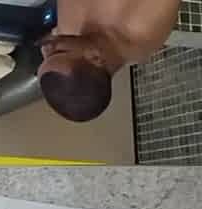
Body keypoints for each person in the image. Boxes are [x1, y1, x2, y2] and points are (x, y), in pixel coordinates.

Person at [38, 0, 181, 121]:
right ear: (95, 57)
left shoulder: (69, 33)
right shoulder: (143, 25)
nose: (48, 47)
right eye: (58, 52)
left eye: (46, 56)